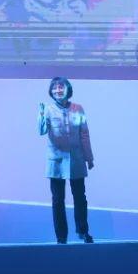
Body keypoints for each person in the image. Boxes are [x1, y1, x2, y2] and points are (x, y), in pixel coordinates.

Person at [37, 77, 94, 244]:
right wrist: (41, 115)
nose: (58, 91)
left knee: (80, 197)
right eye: (54, 88)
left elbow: (84, 134)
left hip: (76, 159)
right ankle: (61, 236)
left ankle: (83, 231)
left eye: (61, 87)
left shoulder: (78, 109)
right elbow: (41, 131)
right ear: (51, 92)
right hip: (56, 161)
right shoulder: (47, 110)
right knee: (58, 200)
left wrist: (89, 158)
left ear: (68, 89)